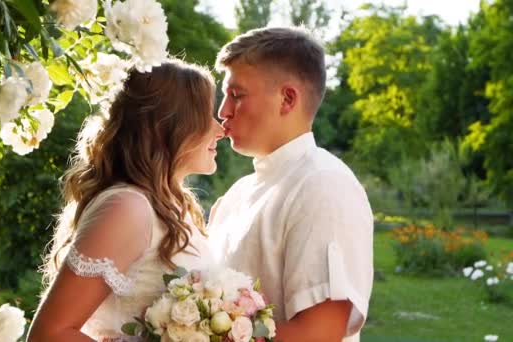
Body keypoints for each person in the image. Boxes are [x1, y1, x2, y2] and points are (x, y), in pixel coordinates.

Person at [28, 59, 224, 341]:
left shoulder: (173, 207)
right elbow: (49, 335)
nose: (220, 129)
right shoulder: (127, 207)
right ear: (167, 125)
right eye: (205, 115)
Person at [207, 26, 374, 342]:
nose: (223, 111)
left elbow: (318, 335)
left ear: (287, 99)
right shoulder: (237, 194)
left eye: (237, 95)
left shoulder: (324, 186)